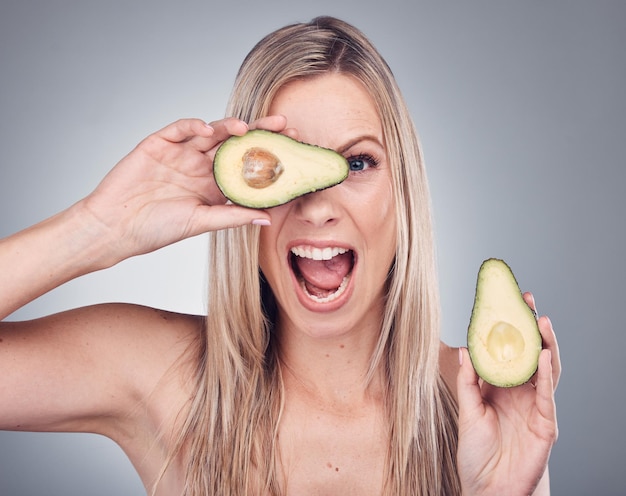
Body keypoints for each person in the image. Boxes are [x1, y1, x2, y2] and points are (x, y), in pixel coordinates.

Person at [0, 15, 559, 496]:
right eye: (276, 167)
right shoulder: (160, 374)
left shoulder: (481, 405)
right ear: (243, 187)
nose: (317, 210)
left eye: (358, 163)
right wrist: (98, 228)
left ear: (405, 192)